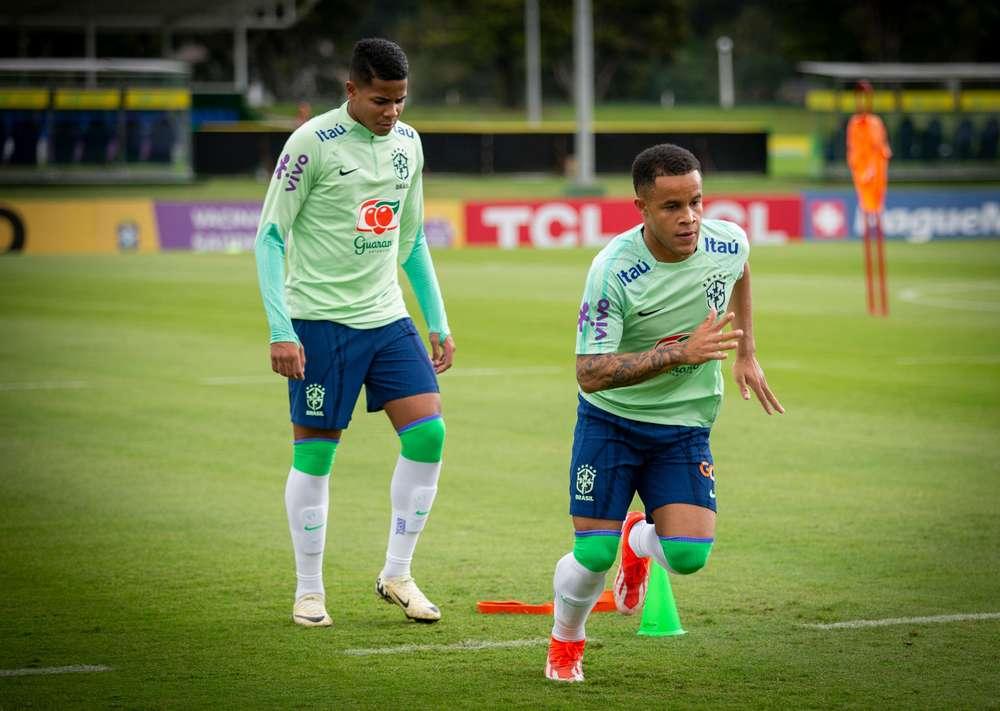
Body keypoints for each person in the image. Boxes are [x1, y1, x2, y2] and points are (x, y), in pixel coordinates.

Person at [545, 143, 783, 682]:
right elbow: (589, 372)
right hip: (611, 421)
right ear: (642, 208)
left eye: (696, 202)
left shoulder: (727, 241)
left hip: (684, 424)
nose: (689, 217)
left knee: (689, 557)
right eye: (672, 206)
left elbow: (742, 270)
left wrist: (746, 351)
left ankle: (639, 541)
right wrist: (680, 353)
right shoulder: (612, 270)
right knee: (593, 553)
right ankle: (566, 640)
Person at [254, 38, 455, 628]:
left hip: (386, 318)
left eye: (400, 100)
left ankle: (397, 573)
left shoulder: (409, 144)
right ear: (351, 90)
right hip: (319, 322)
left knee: (429, 435)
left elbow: (411, 239)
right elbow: (270, 236)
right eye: (380, 100)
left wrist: (437, 320)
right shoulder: (311, 143)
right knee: (317, 455)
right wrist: (280, 328)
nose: (392, 111)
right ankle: (309, 590)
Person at [846, 79, 892, 316]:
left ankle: (880, 304)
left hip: (874, 180)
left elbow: (879, 151)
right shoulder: (856, 125)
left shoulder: (874, 124)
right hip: (864, 179)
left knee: (876, 233)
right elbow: (855, 154)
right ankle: (874, 304)